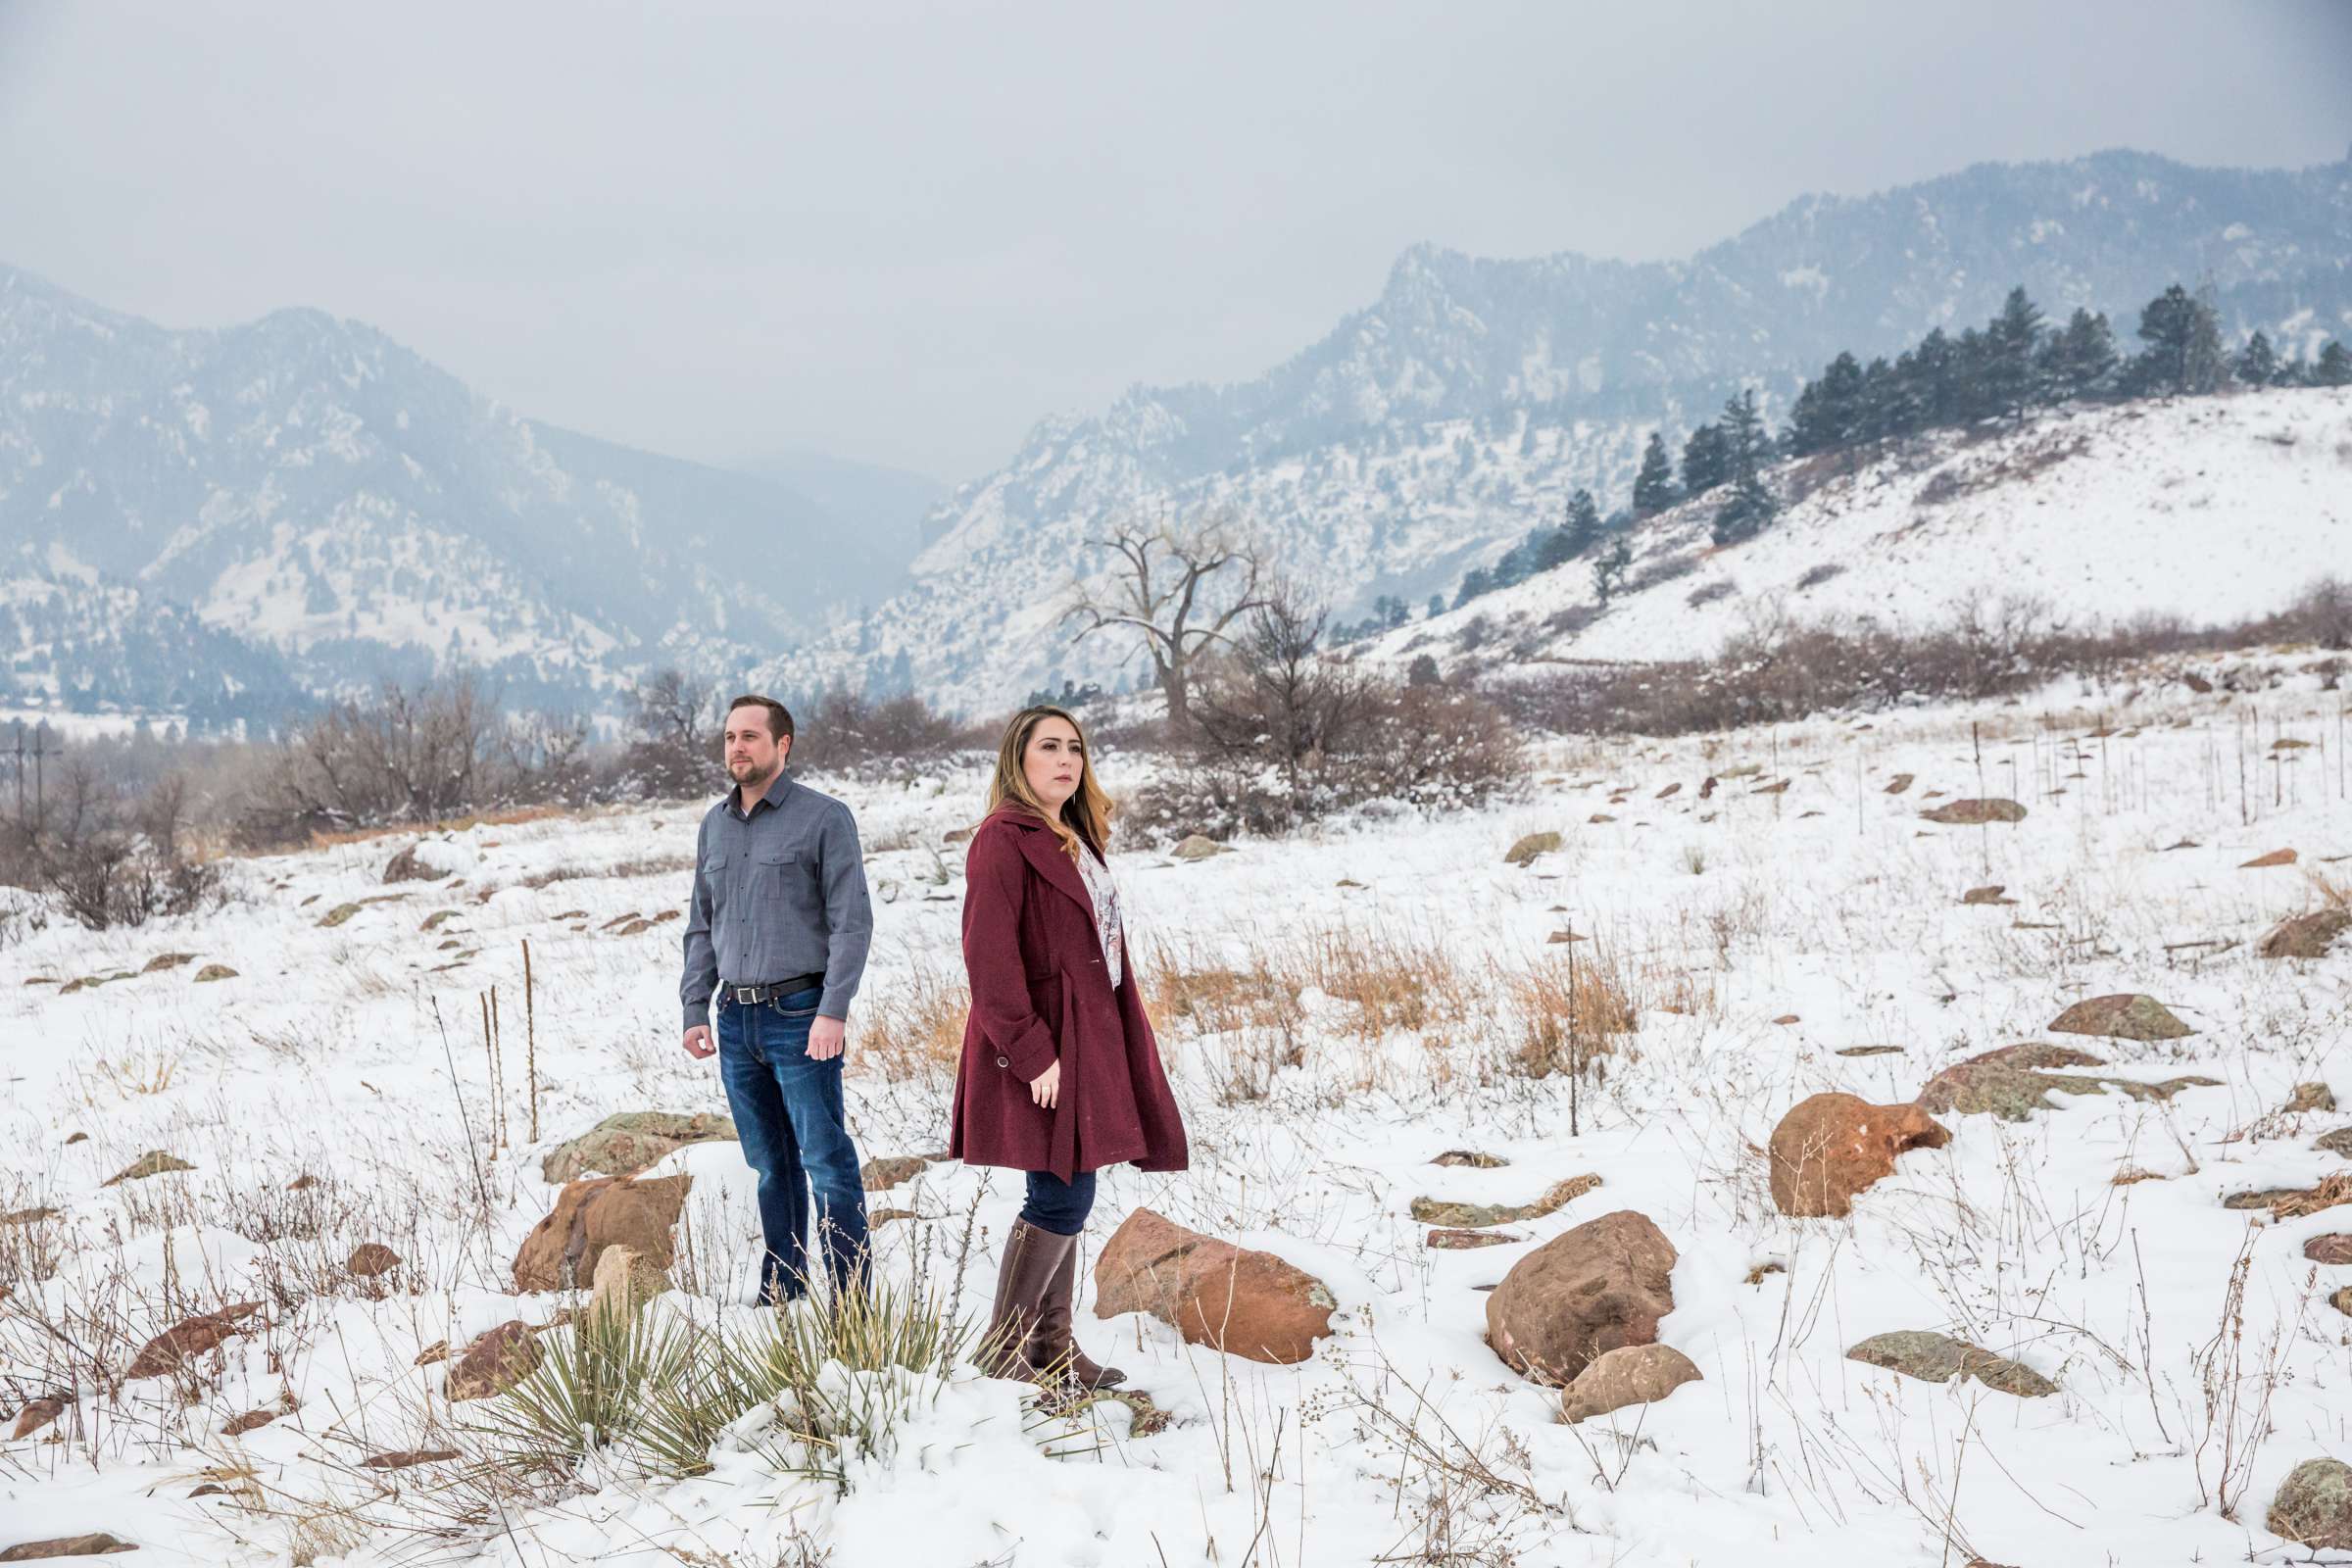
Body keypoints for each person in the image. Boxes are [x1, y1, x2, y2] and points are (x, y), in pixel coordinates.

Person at [949, 705, 1189, 1391]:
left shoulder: (1073, 835)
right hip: (1042, 1042)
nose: (1065, 760)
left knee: (1071, 1189)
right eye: (1048, 747)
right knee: (1059, 1193)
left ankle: (1052, 1348)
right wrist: (1033, 1054)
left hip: (1092, 1033)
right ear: (1017, 761)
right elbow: (989, 961)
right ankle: (1006, 1350)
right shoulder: (1002, 838)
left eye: (1074, 748)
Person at [680, 694, 874, 1303]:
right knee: (771, 1166)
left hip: (801, 1016)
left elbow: (852, 924)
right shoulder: (714, 825)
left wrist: (833, 1011)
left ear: (782, 746)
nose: (737, 747)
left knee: (825, 1160)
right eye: (731, 737)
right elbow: (701, 925)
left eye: (751, 737)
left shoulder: (824, 818)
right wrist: (695, 1007)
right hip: (735, 1020)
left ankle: (851, 1302)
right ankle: (783, 1294)